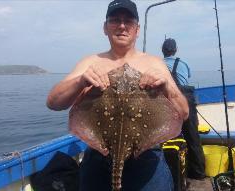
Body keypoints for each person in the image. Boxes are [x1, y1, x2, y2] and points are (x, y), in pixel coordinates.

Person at [46, 0, 189, 190]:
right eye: (115, 20)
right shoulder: (91, 62)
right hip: (98, 159)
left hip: (146, 157)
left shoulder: (154, 63)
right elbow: (53, 102)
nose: (122, 25)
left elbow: (184, 114)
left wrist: (167, 88)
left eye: (128, 21)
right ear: (105, 28)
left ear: (137, 29)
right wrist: (81, 81)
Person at [162, 38, 206, 179]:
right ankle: (198, 173)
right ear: (175, 50)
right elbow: (186, 77)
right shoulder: (183, 63)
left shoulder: (158, 64)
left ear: (163, 51)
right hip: (186, 101)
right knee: (193, 137)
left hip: (167, 103)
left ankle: (171, 172)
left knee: (165, 138)